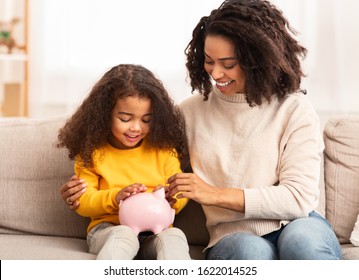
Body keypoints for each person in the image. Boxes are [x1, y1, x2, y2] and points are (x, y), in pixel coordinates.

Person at [60, 0, 342, 260]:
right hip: (232, 233)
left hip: (297, 222)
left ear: (259, 58)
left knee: (302, 240)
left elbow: (298, 197)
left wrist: (214, 193)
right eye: (209, 61)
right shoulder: (188, 113)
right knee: (247, 250)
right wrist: (85, 191)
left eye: (228, 64)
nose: (216, 74)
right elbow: (147, 160)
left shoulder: (294, 109)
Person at [57, 64, 190, 260]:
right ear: (105, 115)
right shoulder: (93, 153)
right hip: (109, 230)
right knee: (124, 235)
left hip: (157, 231)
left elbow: (180, 191)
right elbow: (83, 202)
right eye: (126, 118)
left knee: (175, 236)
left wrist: (173, 199)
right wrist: (115, 198)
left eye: (146, 120)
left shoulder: (163, 150)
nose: (136, 127)